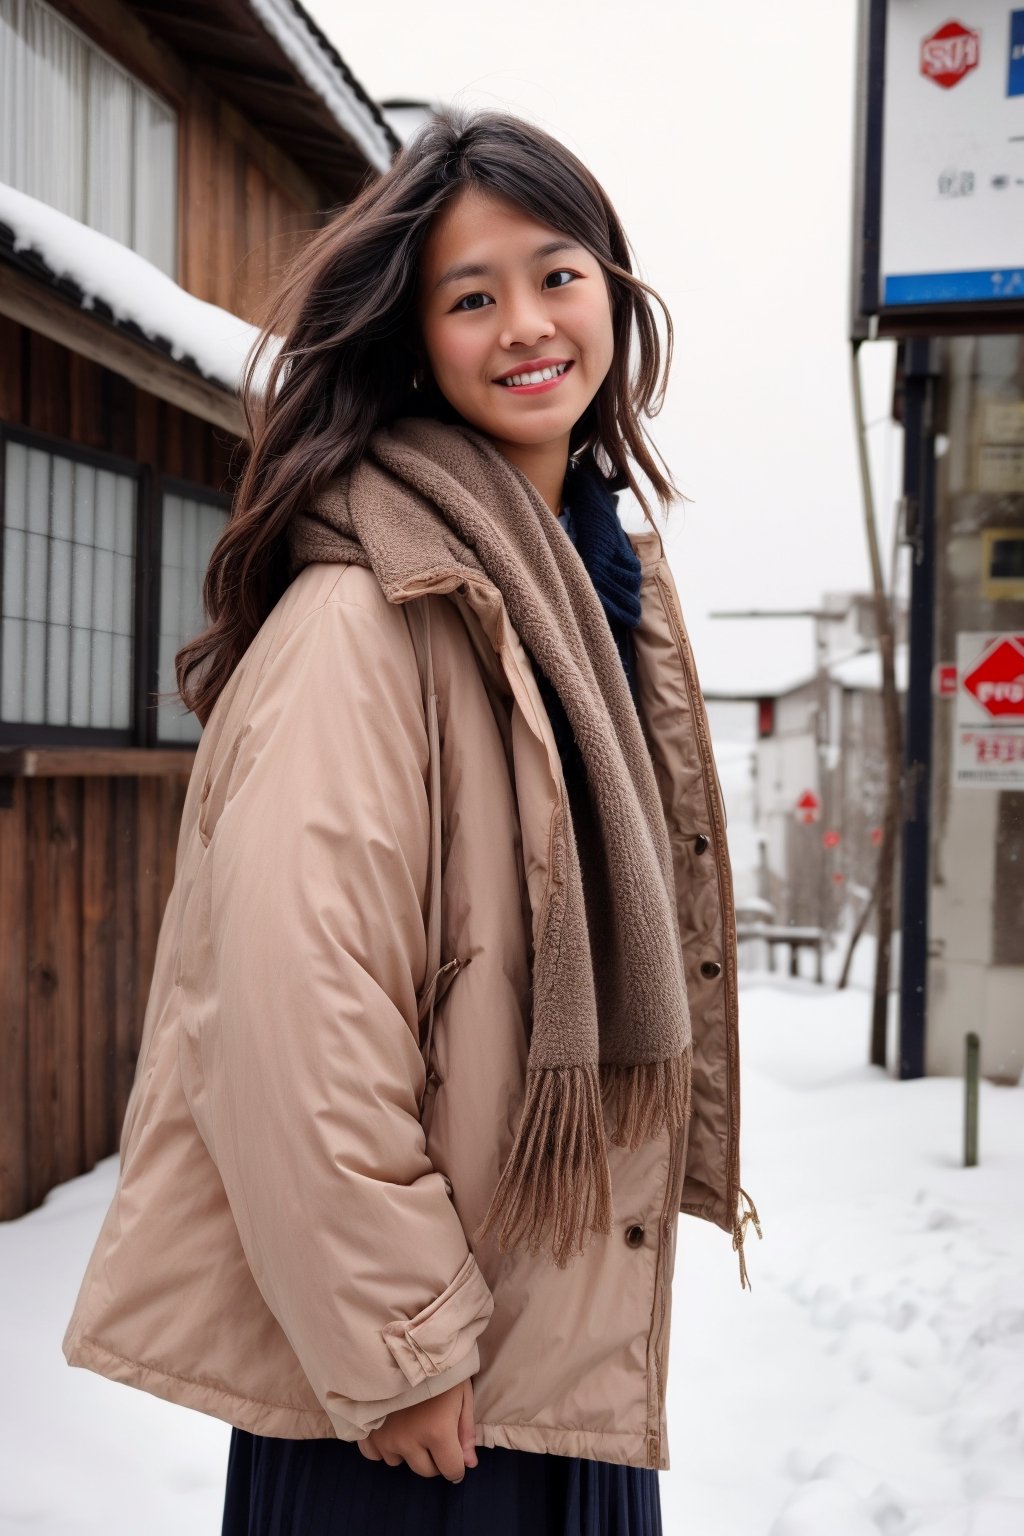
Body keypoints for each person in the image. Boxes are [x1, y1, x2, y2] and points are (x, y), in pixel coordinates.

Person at [61, 106, 760, 1535]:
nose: (527, 324)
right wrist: (400, 1345)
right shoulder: (366, 609)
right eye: (470, 295)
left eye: (558, 275)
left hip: (547, 1356)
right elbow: (291, 1009)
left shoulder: (592, 594)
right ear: (414, 340)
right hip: (415, 1407)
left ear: (614, 291)